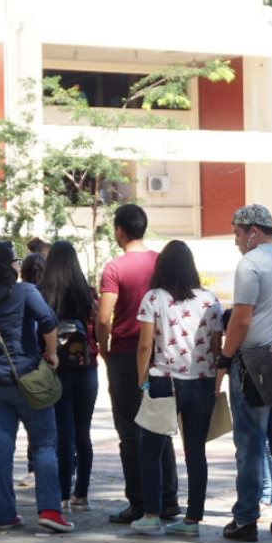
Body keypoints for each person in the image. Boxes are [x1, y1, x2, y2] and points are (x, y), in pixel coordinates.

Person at [0, 239, 70, 533]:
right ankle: (49, 510)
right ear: (5, 265)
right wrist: (52, 353)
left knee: (0, 447)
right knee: (45, 444)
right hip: (29, 381)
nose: (17, 264)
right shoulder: (24, 291)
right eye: (14, 259)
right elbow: (48, 320)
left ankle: (4, 515)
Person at [218, 204, 272, 543]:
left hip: (254, 364)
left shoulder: (251, 263)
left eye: (238, 235)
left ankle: (245, 519)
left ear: (252, 231)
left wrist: (224, 358)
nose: (237, 243)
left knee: (251, 443)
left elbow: (241, 320)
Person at [132, 241, 223, 535]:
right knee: (196, 451)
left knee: (151, 450)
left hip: (164, 381)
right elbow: (216, 347)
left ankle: (151, 514)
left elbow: (145, 344)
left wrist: (140, 379)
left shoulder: (154, 298)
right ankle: (192, 520)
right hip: (203, 381)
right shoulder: (210, 300)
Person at [98, 204, 179, 524]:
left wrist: (103, 349)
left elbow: (103, 318)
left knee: (130, 432)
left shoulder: (114, 268)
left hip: (125, 355)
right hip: (161, 354)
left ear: (119, 231)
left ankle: (140, 502)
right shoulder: (162, 262)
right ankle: (169, 500)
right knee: (160, 427)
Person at [38, 240, 100, 512]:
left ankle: (62, 494)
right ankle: (82, 494)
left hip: (54, 370)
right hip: (87, 368)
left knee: (62, 433)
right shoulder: (88, 294)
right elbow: (97, 329)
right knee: (82, 432)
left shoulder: (42, 293)